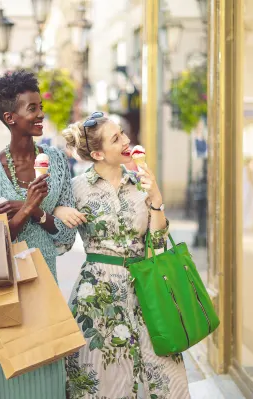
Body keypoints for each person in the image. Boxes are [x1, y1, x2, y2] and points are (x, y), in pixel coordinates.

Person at [54, 113, 191, 399]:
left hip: (146, 290)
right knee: (102, 382)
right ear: (97, 153)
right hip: (98, 296)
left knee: (163, 374)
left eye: (124, 134)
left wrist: (155, 199)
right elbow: (61, 243)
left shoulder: (139, 182)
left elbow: (157, 243)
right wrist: (58, 211)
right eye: (117, 138)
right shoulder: (76, 187)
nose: (127, 141)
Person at [0, 69, 77, 399]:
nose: (40, 114)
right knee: (9, 381)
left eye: (40, 106)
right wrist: (27, 206)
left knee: (48, 381)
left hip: (47, 288)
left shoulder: (58, 161)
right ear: (10, 117)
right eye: (32, 108)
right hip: (6, 290)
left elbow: (66, 236)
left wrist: (36, 210)